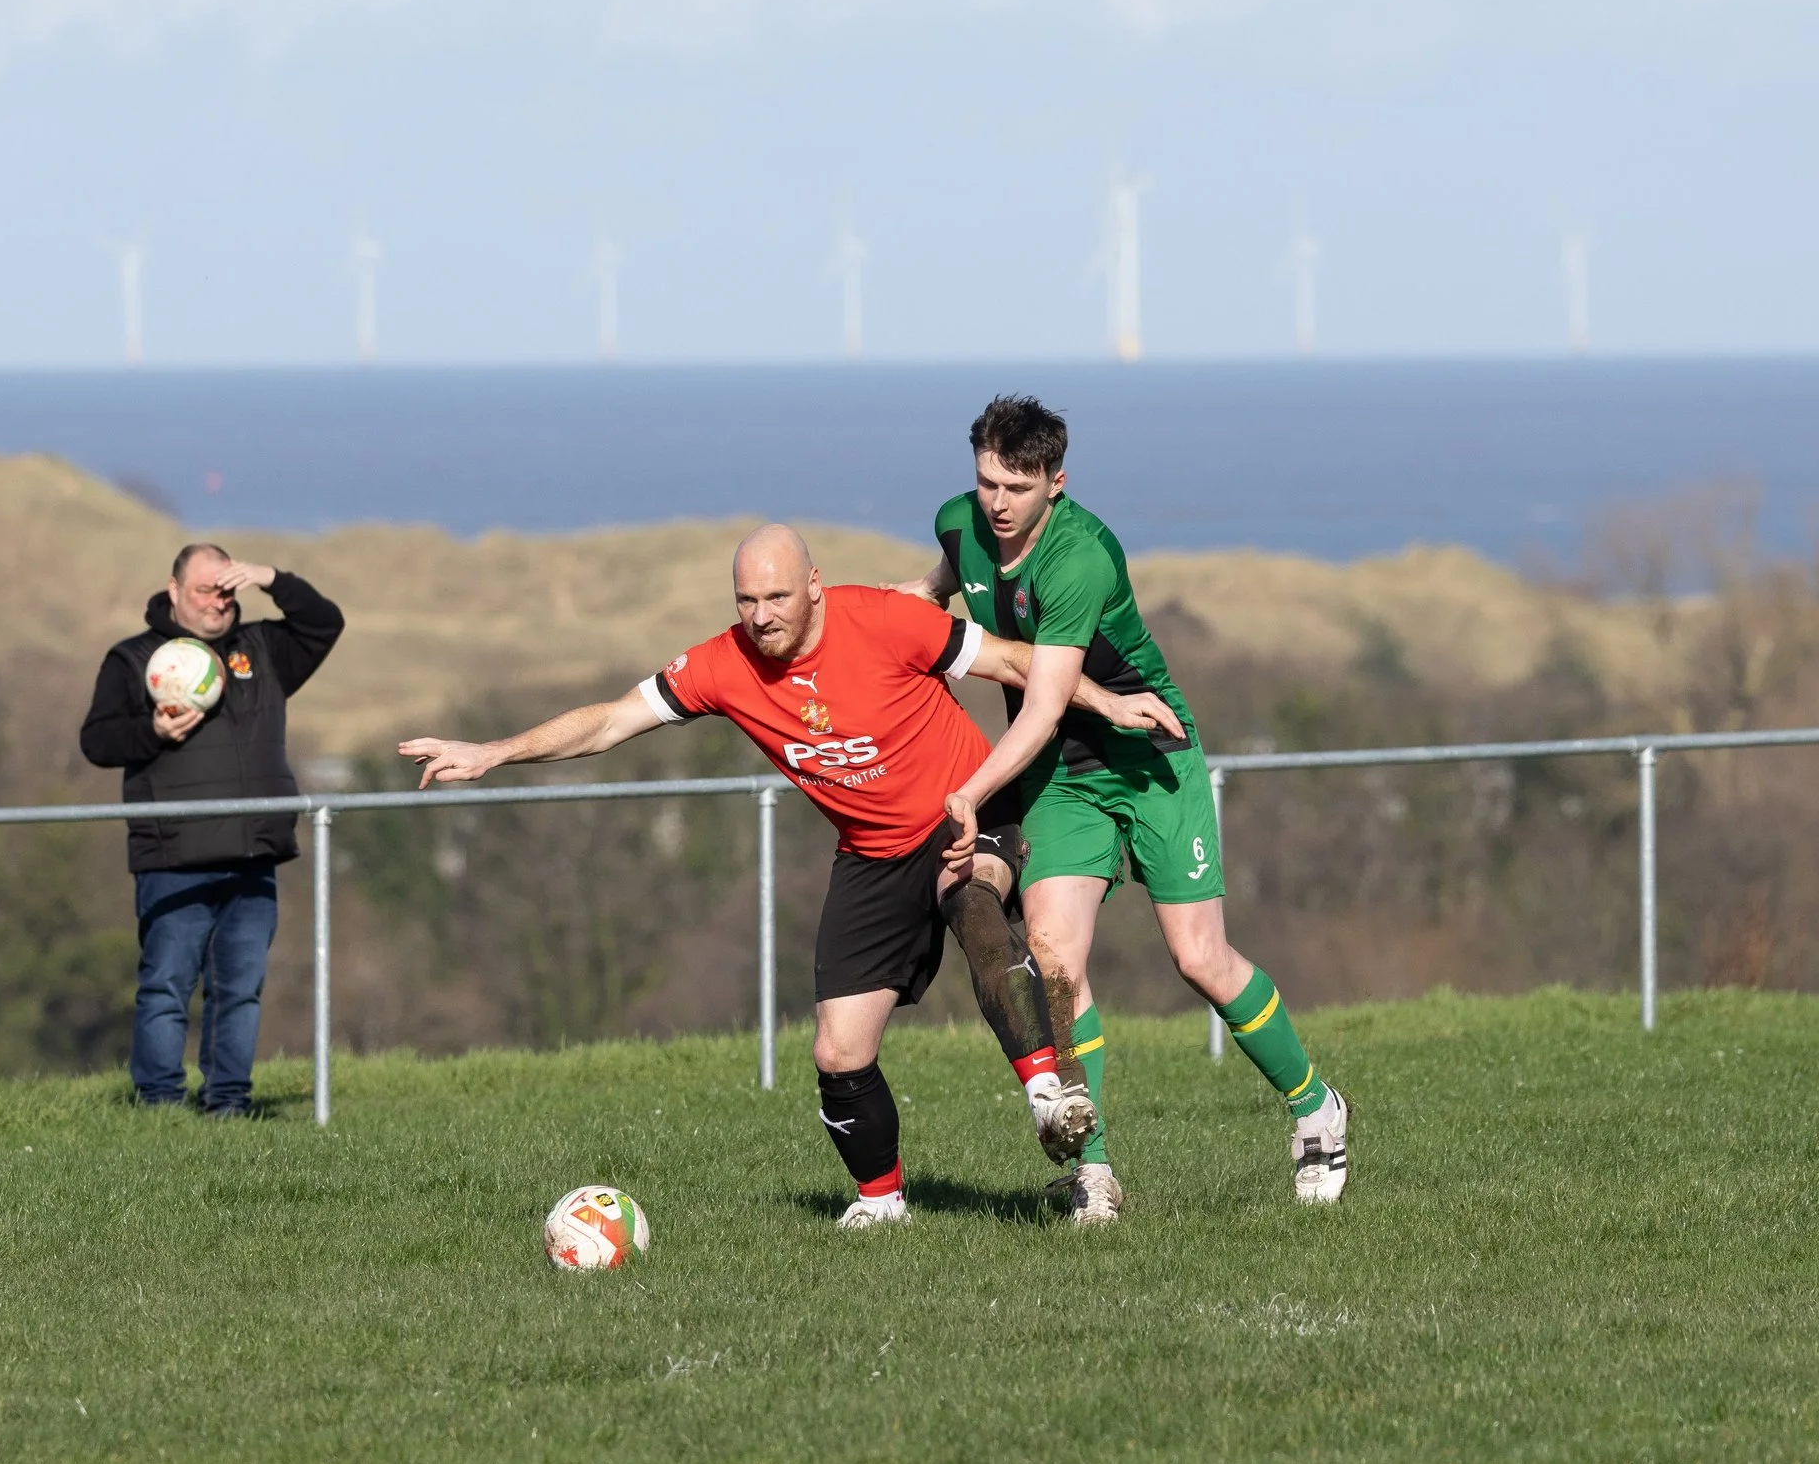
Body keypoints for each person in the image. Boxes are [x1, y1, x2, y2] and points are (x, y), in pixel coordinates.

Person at [399, 525, 1183, 1228]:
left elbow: (1017, 661)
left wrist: (1108, 704)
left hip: (968, 812)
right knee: (839, 1053)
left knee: (971, 895)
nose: (761, 613)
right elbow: (609, 720)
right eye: (746, 599)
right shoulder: (721, 665)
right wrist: (493, 752)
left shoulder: (884, 618)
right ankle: (882, 1200)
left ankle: (1050, 1095)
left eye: (777, 595)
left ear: (814, 585)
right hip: (870, 856)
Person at [903, 394, 1352, 1221]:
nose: (996, 503)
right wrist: (853, 627)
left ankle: (1316, 1108)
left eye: (1015, 486)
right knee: (1057, 965)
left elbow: (1041, 702)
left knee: (1199, 959)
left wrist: (969, 791)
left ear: (1056, 484)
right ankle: (1095, 1174)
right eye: (985, 482)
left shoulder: (1081, 558)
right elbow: (934, 592)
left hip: (1149, 759)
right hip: (1062, 779)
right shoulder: (960, 522)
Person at [79, 544, 343, 1117]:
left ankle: (228, 1103)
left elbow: (325, 622)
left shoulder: (263, 650)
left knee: (240, 990)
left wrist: (272, 578)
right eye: (205, 589)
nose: (219, 601)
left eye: (228, 589)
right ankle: (160, 1106)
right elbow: (96, 741)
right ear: (173, 591)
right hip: (175, 856)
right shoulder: (133, 659)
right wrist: (150, 732)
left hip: (254, 853)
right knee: (166, 988)